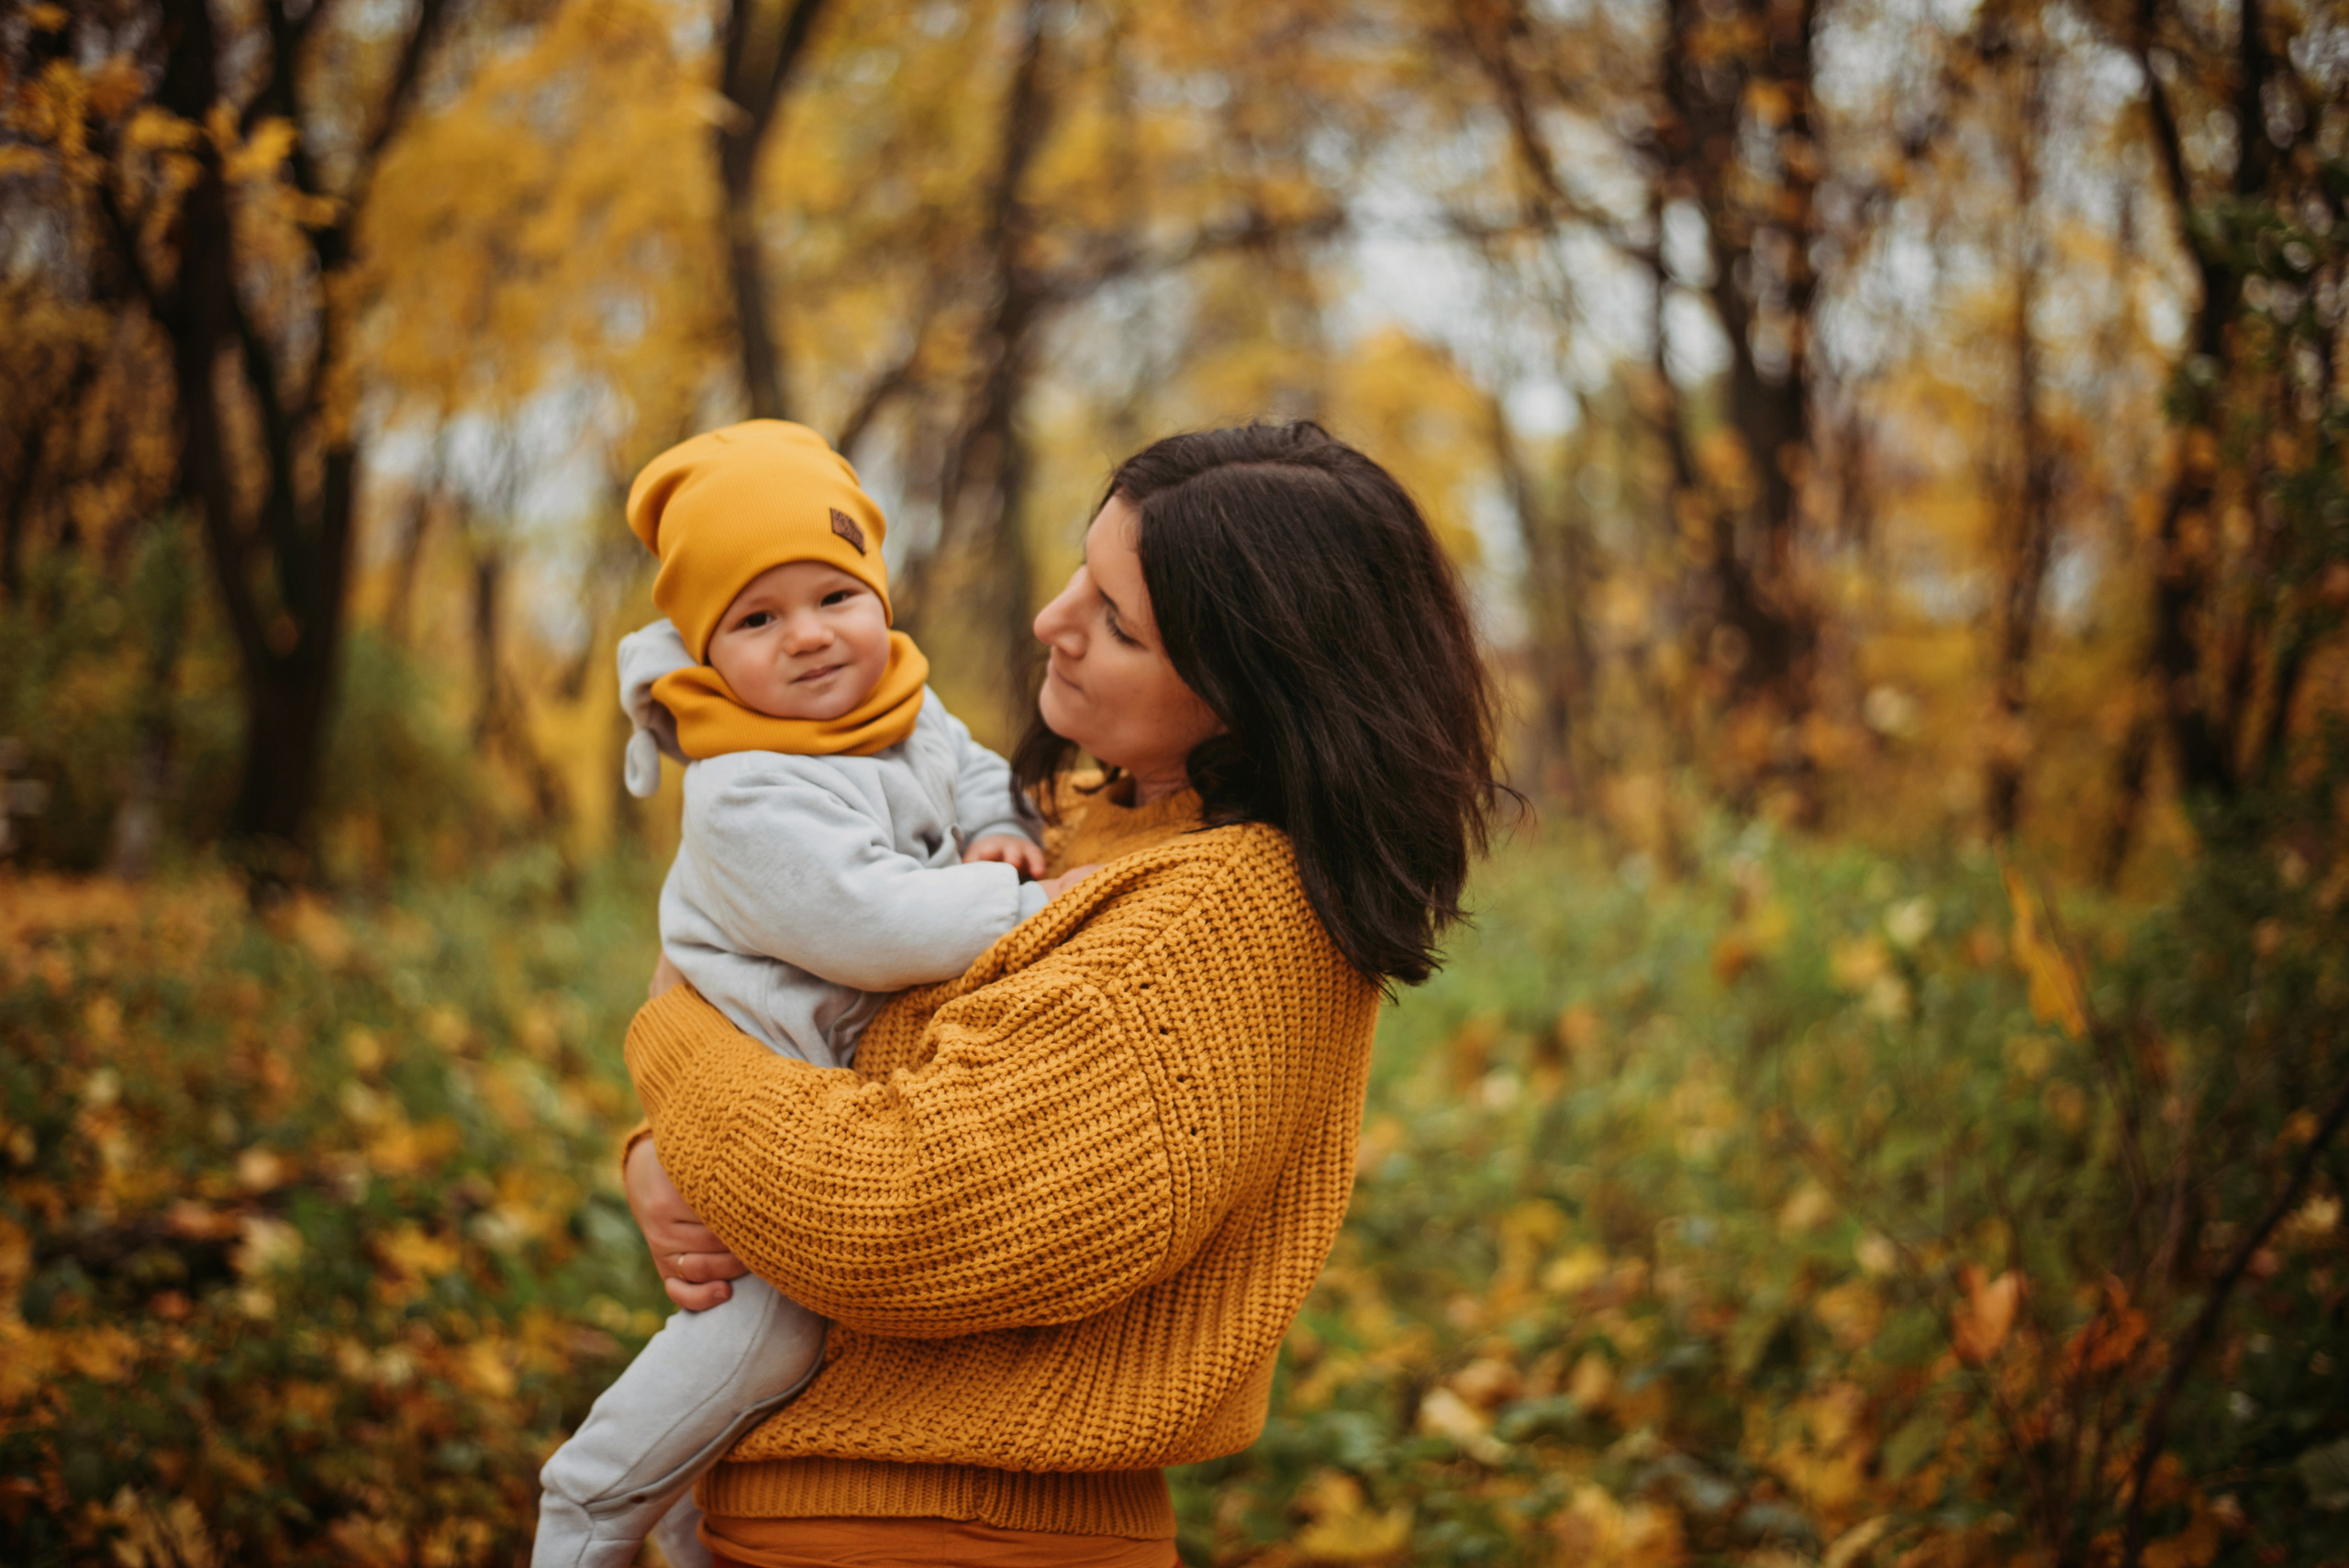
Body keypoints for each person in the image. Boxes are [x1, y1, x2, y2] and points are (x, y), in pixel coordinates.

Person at [621, 420, 1509, 1568]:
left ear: (1250, 691)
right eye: (1083, 572)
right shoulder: (1079, 821)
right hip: (826, 1505)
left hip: (952, 1531)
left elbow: (894, 1208)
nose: (1053, 619)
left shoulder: (1225, 917)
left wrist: (667, 1047)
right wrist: (658, 1155)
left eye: (1116, 619)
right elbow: (788, 993)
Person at [536, 419, 1071, 1568]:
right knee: (758, 1345)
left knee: (746, 1397)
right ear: (705, 647)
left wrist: (994, 826)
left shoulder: (903, 706)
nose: (812, 638)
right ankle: (587, 1504)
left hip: (830, 1113)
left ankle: (684, 1519)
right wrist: (1046, 909)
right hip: (763, 1144)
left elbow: (975, 767)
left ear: (878, 590)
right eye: (757, 618)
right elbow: (871, 923)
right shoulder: (744, 790)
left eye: (835, 594)